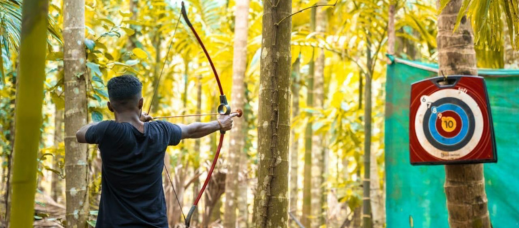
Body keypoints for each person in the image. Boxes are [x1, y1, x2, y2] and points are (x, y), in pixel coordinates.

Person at [76, 75, 238, 228]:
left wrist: (119, 121)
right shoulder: (160, 130)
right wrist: (219, 124)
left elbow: (81, 133)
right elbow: (191, 130)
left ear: (110, 106)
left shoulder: (106, 130)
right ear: (140, 103)